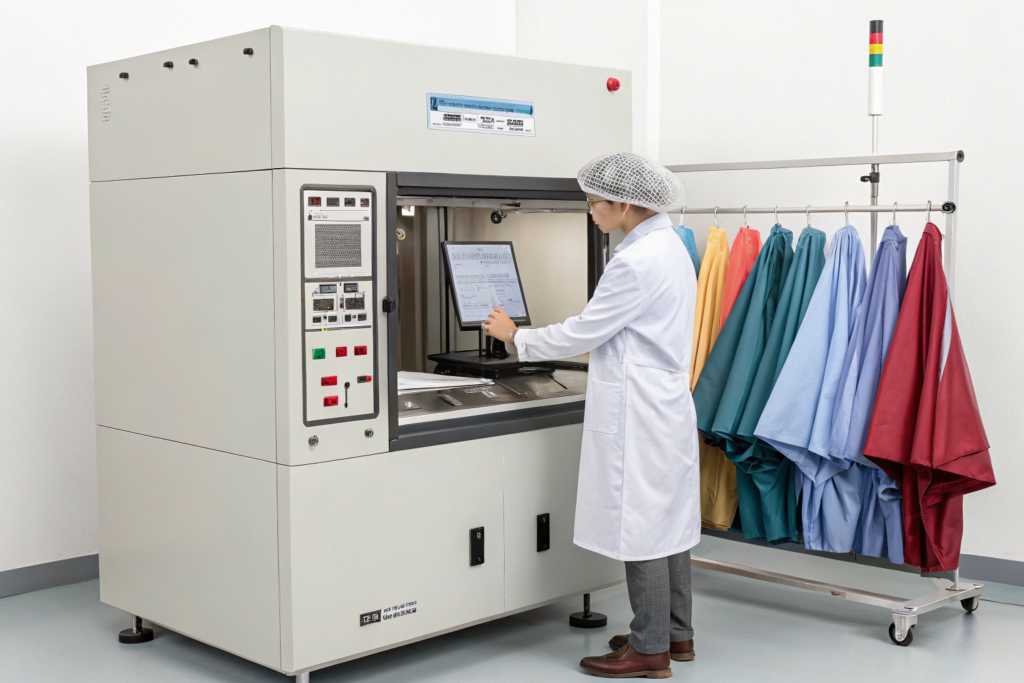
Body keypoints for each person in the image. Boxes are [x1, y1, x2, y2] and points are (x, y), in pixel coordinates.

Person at [483, 153, 700, 679]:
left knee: (641, 524)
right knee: (667, 520)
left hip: (639, 411)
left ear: (623, 204)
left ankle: (649, 650)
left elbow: (585, 331)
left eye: (594, 202)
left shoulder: (635, 262)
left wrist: (516, 337)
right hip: (664, 404)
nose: (590, 210)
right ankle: (676, 634)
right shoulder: (671, 246)